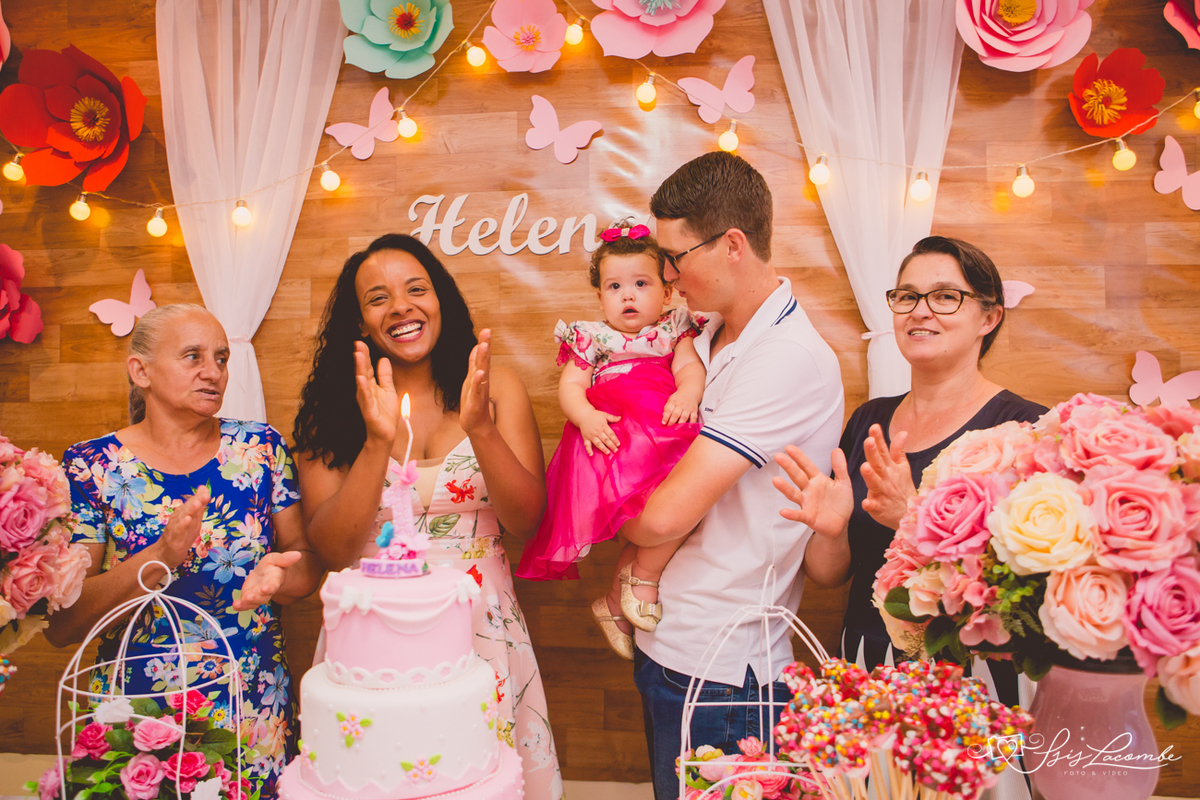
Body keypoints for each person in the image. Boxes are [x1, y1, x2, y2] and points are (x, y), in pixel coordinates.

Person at [291, 234, 563, 800]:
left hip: (482, 622)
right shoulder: (327, 411)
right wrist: (377, 441)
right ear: (360, 323)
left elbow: (526, 521)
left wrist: (480, 428)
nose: (401, 307)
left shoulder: (495, 388)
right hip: (373, 639)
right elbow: (333, 551)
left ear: (441, 299)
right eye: (378, 298)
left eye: (417, 289)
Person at [616, 152, 845, 800]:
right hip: (671, 640)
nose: (666, 276)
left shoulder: (786, 357)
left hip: (723, 671)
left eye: (675, 257)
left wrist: (596, 510)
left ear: (733, 245)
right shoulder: (705, 335)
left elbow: (663, 517)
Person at [48, 304, 322, 799]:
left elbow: (305, 565)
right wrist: (162, 553)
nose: (213, 371)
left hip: (252, 709)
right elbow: (63, 624)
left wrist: (280, 577)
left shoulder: (260, 449)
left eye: (221, 358)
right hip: (139, 719)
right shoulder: (91, 467)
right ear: (141, 371)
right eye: (193, 356)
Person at [772, 235, 1047, 698]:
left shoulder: (1027, 428)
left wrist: (911, 518)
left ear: (989, 317)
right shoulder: (870, 420)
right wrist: (831, 532)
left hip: (973, 677)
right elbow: (829, 576)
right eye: (907, 297)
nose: (920, 311)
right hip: (867, 667)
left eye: (945, 297)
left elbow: (1032, 586)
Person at [514, 221, 707, 659]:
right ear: (600, 296)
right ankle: (640, 583)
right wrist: (585, 417)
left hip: (663, 430)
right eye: (614, 286)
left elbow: (689, 368)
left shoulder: (674, 328)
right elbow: (571, 386)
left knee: (686, 503)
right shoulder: (593, 337)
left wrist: (688, 393)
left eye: (641, 284)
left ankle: (620, 599)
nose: (627, 295)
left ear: (667, 292)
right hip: (616, 440)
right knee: (652, 516)